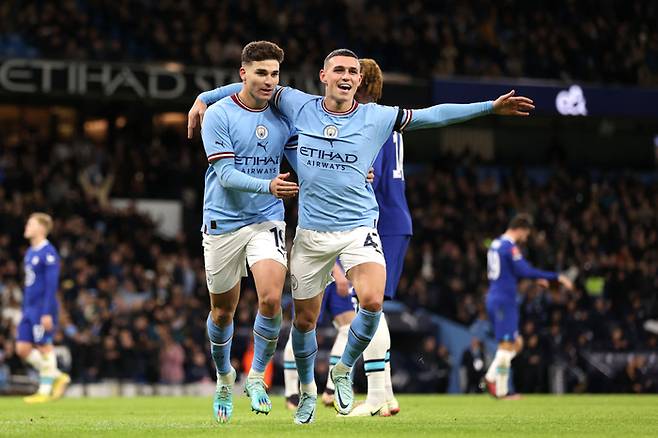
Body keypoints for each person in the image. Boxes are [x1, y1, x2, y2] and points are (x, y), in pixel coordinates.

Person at [191, 48, 534, 422]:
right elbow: (254, 85)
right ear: (323, 76)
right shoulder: (297, 104)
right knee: (303, 322)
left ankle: (341, 370)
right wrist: (204, 97)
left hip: (358, 229)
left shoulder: (378, 117)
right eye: (338, 69)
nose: (346, 75)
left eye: (352, 71)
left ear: (359, 80)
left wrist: (487, 108)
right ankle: (304, 390)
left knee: (370, 302)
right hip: (309, 234)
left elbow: (433, 116)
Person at [199, 40, 299, 423]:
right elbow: (224, 174)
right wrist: (269, 185)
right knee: (222, 312)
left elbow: (301, 159)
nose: (269, 81)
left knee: (272, 299)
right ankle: (225, 377)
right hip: (222, 222)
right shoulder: (219, 115)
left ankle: (256, 376)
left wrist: (351, 175)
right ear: (243, 73)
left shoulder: (282, 116)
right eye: (261, 73)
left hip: (267, 220)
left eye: (274, 74)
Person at [483, 213, 573, 398]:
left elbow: (512, 271)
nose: (526, 238)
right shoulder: (509, 247)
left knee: (515, 343)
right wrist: (556, 277)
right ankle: (498, 386)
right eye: (526, 234)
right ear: (521, 229)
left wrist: (537, 279)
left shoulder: (495, 244)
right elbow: (524, 270)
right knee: (508, 345)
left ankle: (496, 383)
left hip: (496, 297)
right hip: (504, 300)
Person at [283, 261, 355, 410]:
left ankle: (331, 389)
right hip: (314, 265)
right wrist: (337, 270)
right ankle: (292, 395)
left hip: (337, 269)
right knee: (301, 327)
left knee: (349, 328)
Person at [16, 213, 70, 403]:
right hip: (29, 308)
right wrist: (24, 309)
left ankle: (44, 391)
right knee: (22, 348)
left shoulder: (49, 253)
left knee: (44, 346)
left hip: (42, 308)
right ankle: (57, 376)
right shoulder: (30, 252)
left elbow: (51, 286)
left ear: (41, 228)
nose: (27, 226)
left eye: (30, 223)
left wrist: (47, 312)